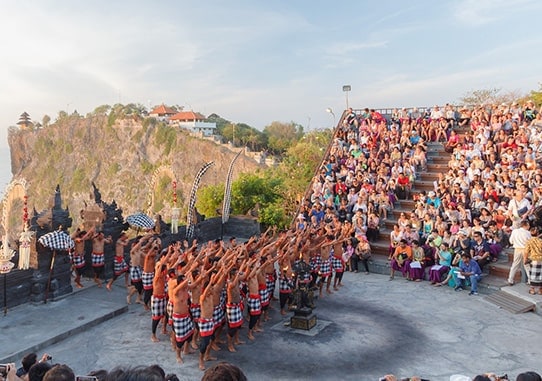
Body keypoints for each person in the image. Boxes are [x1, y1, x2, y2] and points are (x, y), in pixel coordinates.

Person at [507, 219, 532, 286]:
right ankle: (530, 280)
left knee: (515, 265)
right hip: (525, 250)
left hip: (517, 249)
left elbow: (511, 241)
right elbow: (529, 242)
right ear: (526, 225)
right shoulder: (528, 233)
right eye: (528, 225)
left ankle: (510, 280)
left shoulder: (515, 231)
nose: (529, 226)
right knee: (527, 265)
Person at [524, 226, 542, 295]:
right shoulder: (541, 241)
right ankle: (540, 290)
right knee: (541, 275)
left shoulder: (529, 241)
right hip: (541, 259)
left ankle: (532, 290)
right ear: (537, 233)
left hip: (533, 260)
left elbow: (526, 252)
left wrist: (525, 260)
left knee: (533, 276)